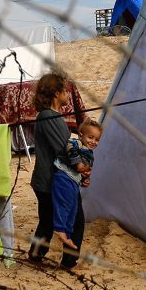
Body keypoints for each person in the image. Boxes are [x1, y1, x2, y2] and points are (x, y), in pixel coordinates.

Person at [29, 72, 84, 267]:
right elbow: (65, 149)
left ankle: (35, 255)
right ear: (56, 93)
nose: (68, 95)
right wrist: (82, 167)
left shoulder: (52, 116)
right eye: (65, 91)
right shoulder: (48, 116)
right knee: (75, 220)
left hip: (50, 179)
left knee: (47, 221)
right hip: (56, 181)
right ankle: (69, 261)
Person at [51, 118, 101, 251]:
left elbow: (86, 170)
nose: (93, 142)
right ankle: (59, 228)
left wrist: (86, 179)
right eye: (90, 137)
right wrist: (78, 164)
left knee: (73, 210)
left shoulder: (90, 154)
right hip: (64, 176)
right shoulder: (76, 142)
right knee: (64, 204)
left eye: (97, 139)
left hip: (74, 181)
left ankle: (66, 234)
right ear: (81, 135)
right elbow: (70, 148)